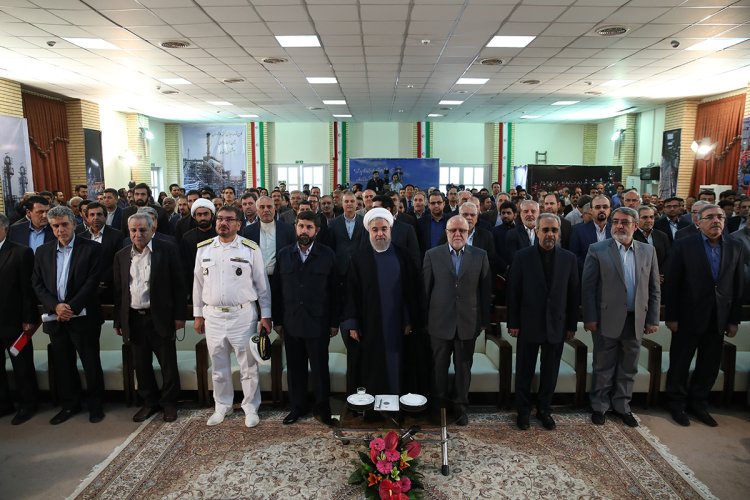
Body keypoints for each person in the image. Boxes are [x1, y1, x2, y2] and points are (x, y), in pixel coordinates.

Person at [193, 205, 272, 428]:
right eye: (220, 219)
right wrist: (198, 315)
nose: (223, 223)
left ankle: (250, 407)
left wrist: (266, 315)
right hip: (213, 316)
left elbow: (262, 285)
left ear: (239, 224)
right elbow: (198, 284)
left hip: (242, 315)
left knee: (248, 366)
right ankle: (222, 405)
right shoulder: (204, 249)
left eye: (229, 219)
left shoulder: (250, 248)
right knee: (218, 366)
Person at [665, 203, 743, 427]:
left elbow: (737, 285)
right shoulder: (684, 245)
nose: (716, 221)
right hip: (687, 316)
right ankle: (677, 404)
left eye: (720, 217)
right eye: (710, 217)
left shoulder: (735, 246)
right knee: (680, 362)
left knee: (709, 365)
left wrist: (733, 320)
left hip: (718, 317)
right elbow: (672, 283)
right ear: (698, 222)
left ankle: (698, 403)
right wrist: (672, 316)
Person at [582, 207, 660, 427]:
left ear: (635, 225)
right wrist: (590, 317)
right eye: (615, 222)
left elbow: (654, 288)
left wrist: (653, 319)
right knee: (603, 365)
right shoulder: (597, 249)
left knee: (629, 366)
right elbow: (588, 288)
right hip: (605, 318)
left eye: (624, 222)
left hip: (636, 319)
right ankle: (599, 406)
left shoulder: (648, 251)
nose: (619, 226)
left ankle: (622, 406)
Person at [32, 206, 105, 425]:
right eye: (55, 226)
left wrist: (69, 307)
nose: (60, 230)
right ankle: (70, 405)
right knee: (63, 364)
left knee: (91, 363)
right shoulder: (43, 251)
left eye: (64, 224)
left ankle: (96, 405)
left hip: (84, 317)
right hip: (56, 318)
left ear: (74, 223)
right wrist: (56, 307)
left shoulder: (91, 248)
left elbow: (92, 282)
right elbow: (37, 284)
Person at [342, 208, 427, 397]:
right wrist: (352, 323)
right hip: (369, 325)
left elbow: (412, 292)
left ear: (390, 230)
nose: (380, 233)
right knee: (372, 366)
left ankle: (399, 401)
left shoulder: (403, 256)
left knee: (400, 364)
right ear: (369, 232)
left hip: (398, 326)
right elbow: (351, 293)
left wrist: (408, 319)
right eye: (375, 230)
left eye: (384, 229)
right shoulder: (359, 258)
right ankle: (373, 405)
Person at [507, 213, 579, 431]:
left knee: (550, 371)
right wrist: (513, 322)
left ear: (559, 233)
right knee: (524, 370)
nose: (550, 234)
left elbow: (573, 294)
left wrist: (571, 325)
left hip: (557, 324)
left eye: (554, 230)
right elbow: (513, 292)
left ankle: (544, 409)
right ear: (536, 231)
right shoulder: (522, 256)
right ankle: (523, 410)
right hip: (528, 323)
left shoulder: (569, 258)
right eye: (545, 230)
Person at [114, 212, 186, 423]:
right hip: (134, 318)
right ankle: (149, 402)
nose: (138, 234)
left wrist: (179, 316)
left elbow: (179, 285)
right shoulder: (121, 255)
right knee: (141, 364)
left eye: (142, 230)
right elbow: (119, 291)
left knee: (168, 363)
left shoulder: (167, 250)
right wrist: (119, 320)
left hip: (160, 317)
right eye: (133, 230)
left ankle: (169, 403)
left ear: (153, 229)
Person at [424, 215, 492, 426]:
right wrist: (425, 321)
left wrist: (484, 321)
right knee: (438, 369)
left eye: (462, 230)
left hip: (468, 323)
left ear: (468, 232)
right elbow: (425, 291)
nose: (457, 234)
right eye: (452, 230)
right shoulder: (432, 255)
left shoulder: (480, 255)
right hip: (439, 323)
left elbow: (485, 291)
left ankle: (461, 408)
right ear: (446, 232)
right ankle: (439, 408)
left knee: (463, 369)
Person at [274, 211, 339, 426]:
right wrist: (278, 321)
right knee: (295, 368)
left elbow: (335, 291)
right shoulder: (284, 255)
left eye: (309, 227)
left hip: (318, 323)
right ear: (295, 227)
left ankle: (322, 409)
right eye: (301, 226)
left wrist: (334, 322)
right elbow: (277, 290)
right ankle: (297, 407)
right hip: (291, 322)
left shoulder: (328, 254)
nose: (304, 230)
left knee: (320, 369)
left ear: (316, 231)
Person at [0, 214, 39, 425]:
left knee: (22, 366)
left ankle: (28, 404)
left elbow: (27, 290)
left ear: (5, 229)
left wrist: (28, 319)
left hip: (15, 322)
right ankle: (4, 404)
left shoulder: (21, 252)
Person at [79, 201, 123, 305]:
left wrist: (102, 280)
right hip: (85, 288)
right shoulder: (80, 237)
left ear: (105, 216)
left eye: (99, 214)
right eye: (92, 215)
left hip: (109, 287)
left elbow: (118, 262)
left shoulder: (117, 235)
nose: (96, 218)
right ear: (87, 218)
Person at [570, 194, 612, 274]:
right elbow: (574, 256)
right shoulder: (578, 230)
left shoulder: (615, 230)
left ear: (610, 210)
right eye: (597, 207)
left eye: (605, 207)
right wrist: (591, 269)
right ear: (591, 210)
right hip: (588, 275)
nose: (602, 210)